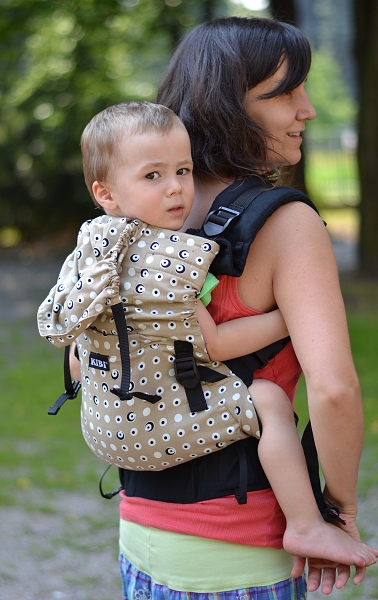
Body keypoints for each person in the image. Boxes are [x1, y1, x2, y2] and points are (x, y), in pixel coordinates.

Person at [101, 16, 378, 600]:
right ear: (228, 105)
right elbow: (334, 390)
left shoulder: (133, 211)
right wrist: (338, 511)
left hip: (141, 533)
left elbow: (87, 360)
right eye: (285, 93)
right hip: (242, 552)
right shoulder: (287, 224)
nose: (308, 110)